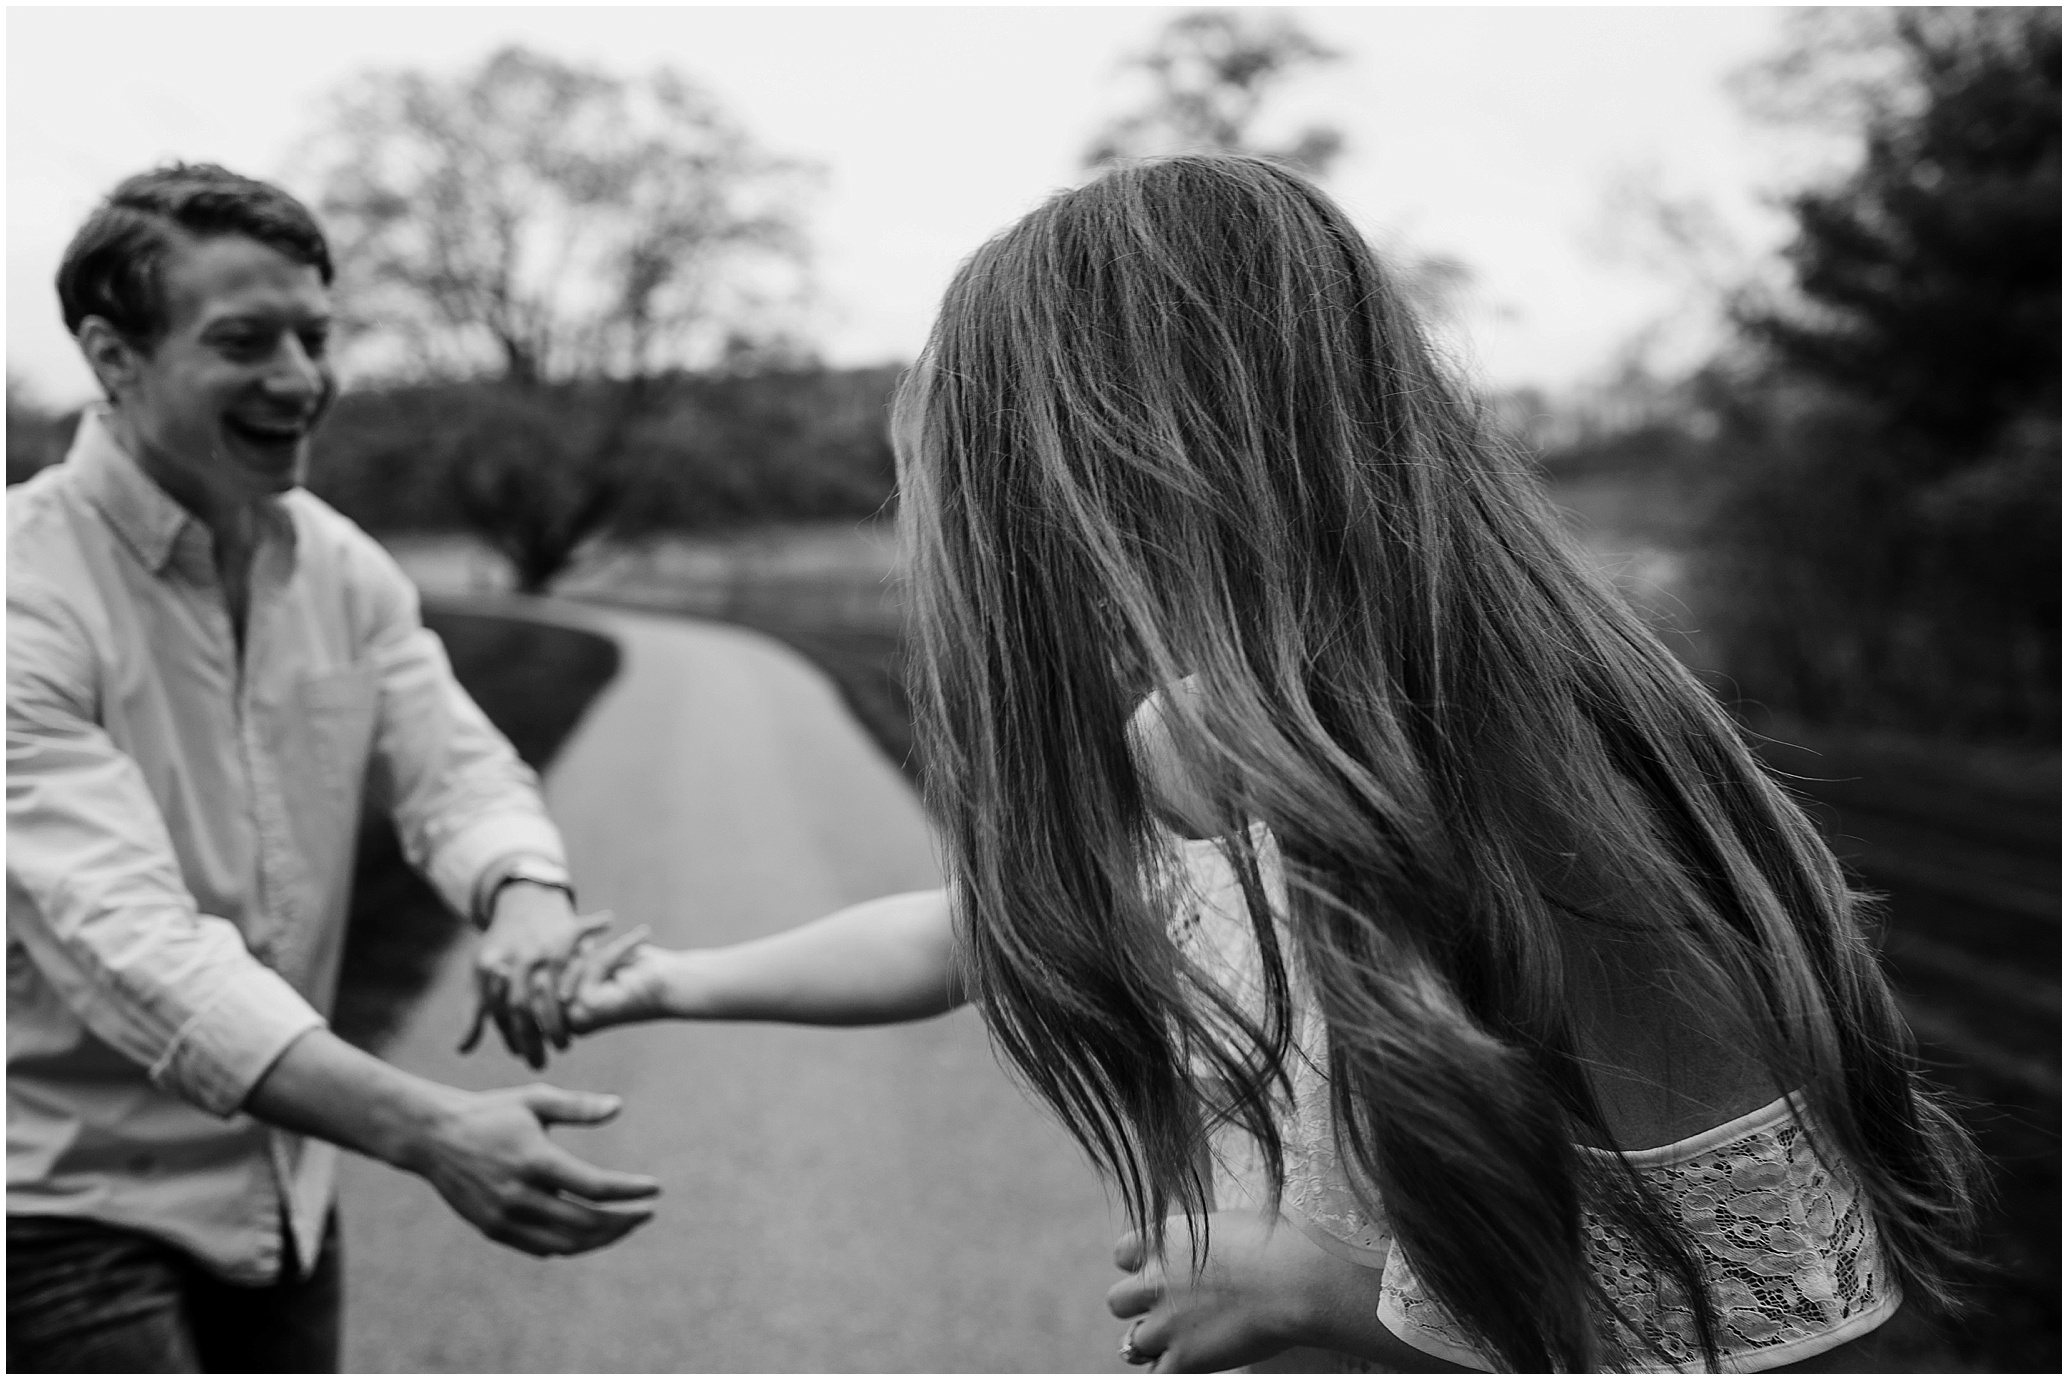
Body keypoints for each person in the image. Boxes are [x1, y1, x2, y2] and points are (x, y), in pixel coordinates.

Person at [565, 153, 1981, 1372]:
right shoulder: (1197, 743)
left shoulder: (1562, 814)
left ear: (1141, 468)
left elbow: (1779, 1319)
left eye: (999, 488)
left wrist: (1335, 1297)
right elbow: (1001, 925)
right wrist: (678, 981)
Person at [6, 163, 660, 1374]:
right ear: (113, 355)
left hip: (284, 1184)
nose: (302, 381)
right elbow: (128, 939)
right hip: (59, 1204)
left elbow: (453, 768)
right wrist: (429, 1128)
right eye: (246, 342)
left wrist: (524, 903)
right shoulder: (23, 593)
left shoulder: (340, 564)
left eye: (315, 335)